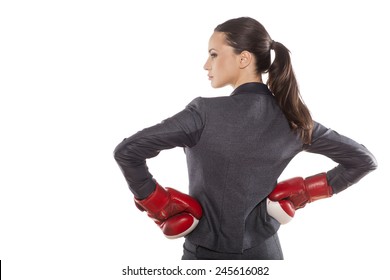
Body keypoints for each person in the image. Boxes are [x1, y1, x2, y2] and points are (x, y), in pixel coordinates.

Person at [113, 17, 377, 260]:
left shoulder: (203, 113)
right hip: (266, 254)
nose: (206, 64)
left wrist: (158, 203)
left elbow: (128, 151)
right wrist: (304, 192)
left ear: (243, 59)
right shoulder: (294, 121)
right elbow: (363, 160)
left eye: (214, 55)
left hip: (204, 256)